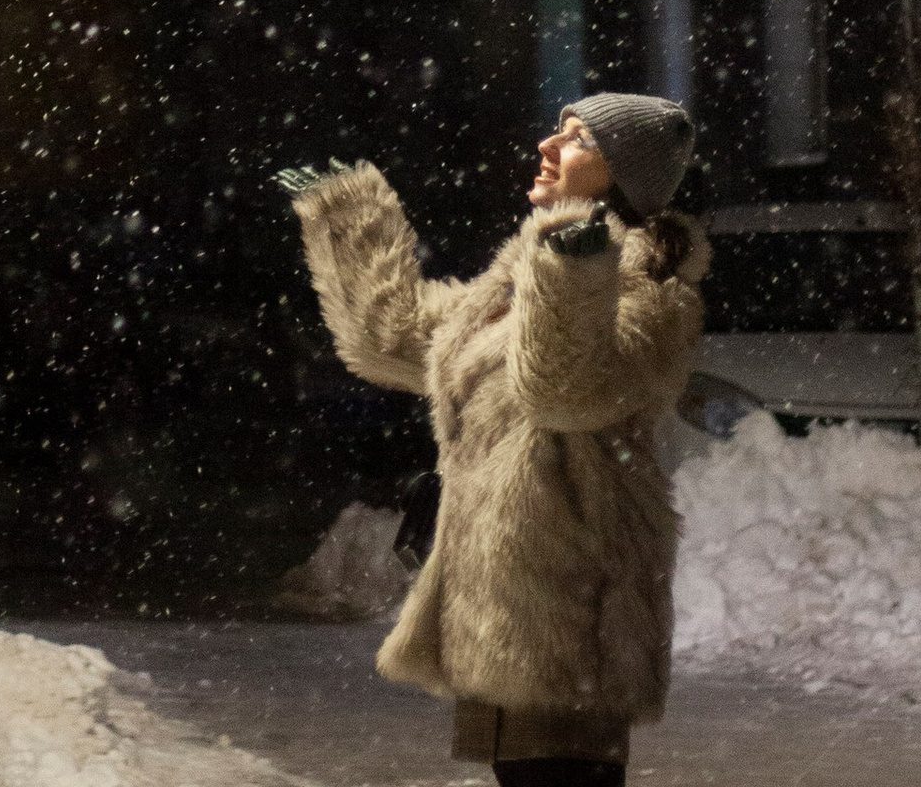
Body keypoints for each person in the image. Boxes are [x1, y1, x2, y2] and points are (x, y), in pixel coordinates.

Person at [279, 94, 707, 787]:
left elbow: (565, 390)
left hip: (574, 612)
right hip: (501, 609)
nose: (548, 145)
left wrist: (572, 266)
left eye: (577, 140)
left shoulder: (651, 292)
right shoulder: (518, 282)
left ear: (623, 175)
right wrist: (344, 210)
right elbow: (394, 336)